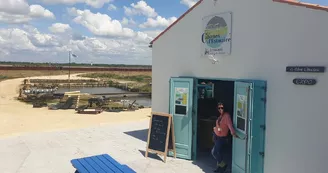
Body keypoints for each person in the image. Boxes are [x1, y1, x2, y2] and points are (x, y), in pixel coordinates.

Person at [212, 102, 237, 173]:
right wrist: (215, 129)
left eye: (221, 108)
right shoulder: (221, 116)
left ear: (224, 108)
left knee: (214, 152)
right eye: (219, 108)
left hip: (221, 138)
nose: (220, 109)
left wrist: (233, 132)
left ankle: (223, 165)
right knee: (219, 153)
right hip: (216, 136)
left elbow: (230, 125)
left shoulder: (226, 116)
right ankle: (219, 168)